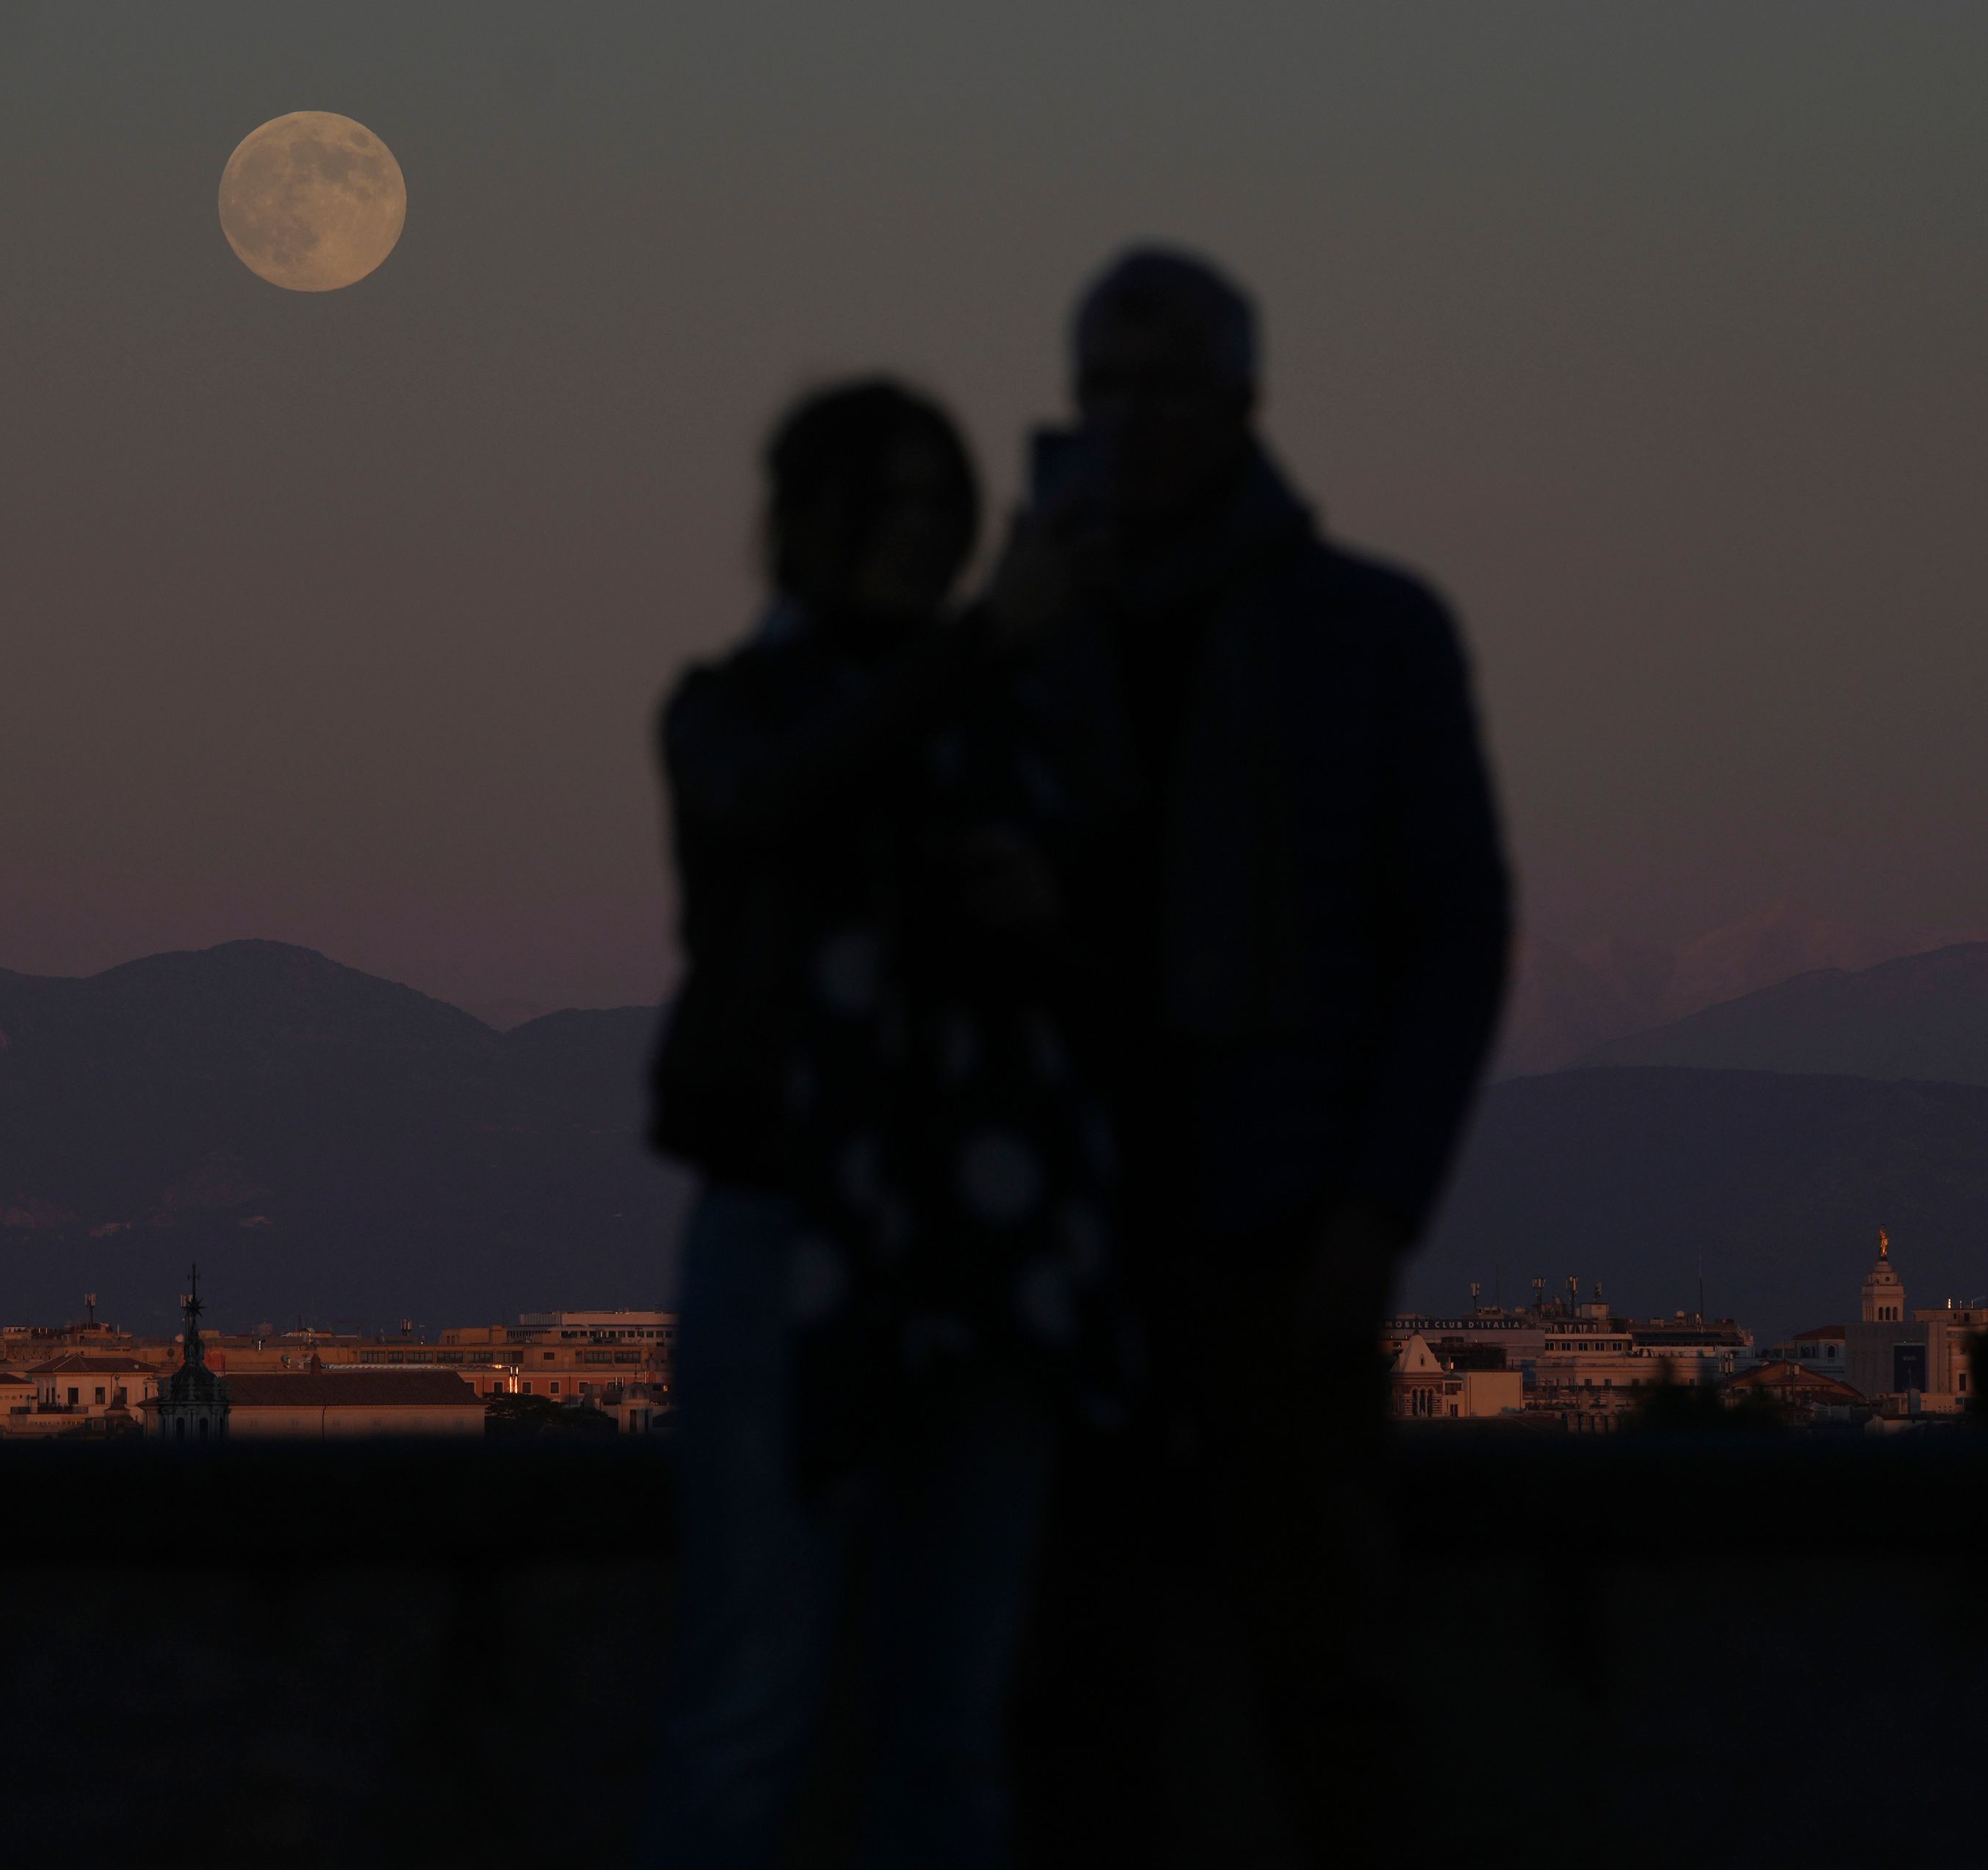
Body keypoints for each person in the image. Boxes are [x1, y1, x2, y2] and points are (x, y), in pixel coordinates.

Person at [1001, 249, 1510, 1863]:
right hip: (1074, 1241)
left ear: (1241, 404)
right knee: (1082, 1686)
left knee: (1324, 1679)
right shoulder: (1038, 644)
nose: (1129, 420)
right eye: (1102, 388)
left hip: (1274, 1227)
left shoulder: (1369, 636)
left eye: (1160, 385)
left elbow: (1454, 931)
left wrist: (1371, 1209)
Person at [643, 380, 1133, 1870]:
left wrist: (1058, 912)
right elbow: (778, 801)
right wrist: (991, 642)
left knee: (952, 1725)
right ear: (807, 522)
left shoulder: (1019, 732)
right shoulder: (734, 713)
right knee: (757, 1707)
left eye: (947, 502)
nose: (923, 533)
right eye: (891, 500)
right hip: (800, 1220)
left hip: (976, 1243)